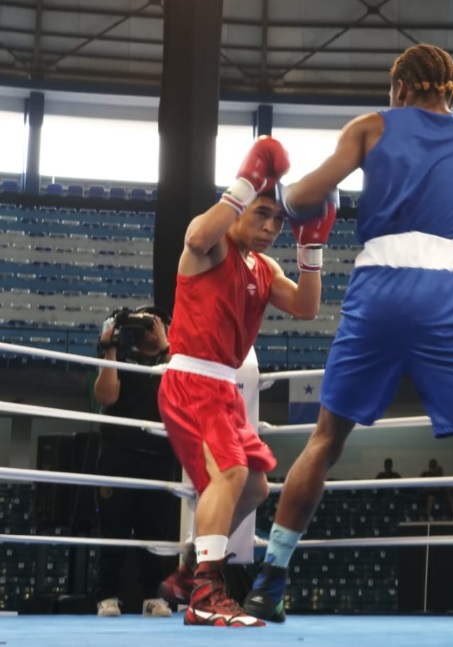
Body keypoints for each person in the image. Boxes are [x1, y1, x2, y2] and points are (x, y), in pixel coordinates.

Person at [242, 43, 453, 635]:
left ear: (399, 88)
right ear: (450, 89)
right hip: (449, 292)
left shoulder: (370, 127)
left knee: (326, 438)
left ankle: (268, 586)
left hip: (377, 292)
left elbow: (298, 199)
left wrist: (298, 199)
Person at [157, 135, 336, 627]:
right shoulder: (210, 249)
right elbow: (194, 236)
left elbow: (306, 307)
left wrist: (312, 246)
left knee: (254, 488)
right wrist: (242, 186)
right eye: (262, 214)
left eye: (278, 220)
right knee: (229, 475)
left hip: (225, 390)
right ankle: (206, 594)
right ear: (238, 207)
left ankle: (189, 569)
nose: (271, 226)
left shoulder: (264, 265)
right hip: (193, 378)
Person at [93, 306, 178, 618]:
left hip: (158, 457)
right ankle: (107, 595)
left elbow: (183, 392)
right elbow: (106, 397)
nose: (149, 329)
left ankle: (151, 597)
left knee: (154, 532)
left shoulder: (172, 362)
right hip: (118, 456)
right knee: (112, 529)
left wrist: (167, 346)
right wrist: (109, 347)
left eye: (154, 323)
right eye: (144, 323)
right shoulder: (120, 359)